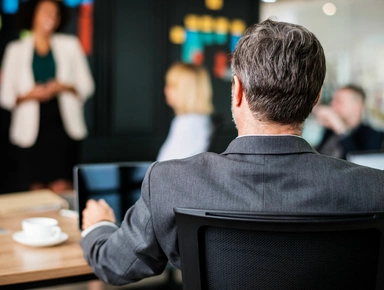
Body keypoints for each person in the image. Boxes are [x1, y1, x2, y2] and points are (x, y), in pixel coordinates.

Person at [81, 19, 384, 285]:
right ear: (315, 99)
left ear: (237, 90)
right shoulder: (375, 189)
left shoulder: (169, 183)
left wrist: (99, 227)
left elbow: (114, 266)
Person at [0, 0, 94, 193]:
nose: (52, 18)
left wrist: (62, 86)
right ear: (33, 14)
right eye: (46, 12)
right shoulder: (15, 49)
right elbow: (5, 96)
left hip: (63, 126)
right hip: (30, 130)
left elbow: (87, 86)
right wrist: (30, 95)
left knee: (62, 187)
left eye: (56, 14)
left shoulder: (70, 45)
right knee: (35, 189)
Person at [157, 62, 214, 161]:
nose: (165, 89)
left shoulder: (188, 123)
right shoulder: (200, 120)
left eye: (171, 85)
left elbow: (164, 166)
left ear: (184, 90)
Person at [314, 84, 383, 159]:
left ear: (357, 107)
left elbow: (358, 163)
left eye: (339, 101)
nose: (332, 104)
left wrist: (340, 128)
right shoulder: (330, 131)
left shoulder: (373, 136)